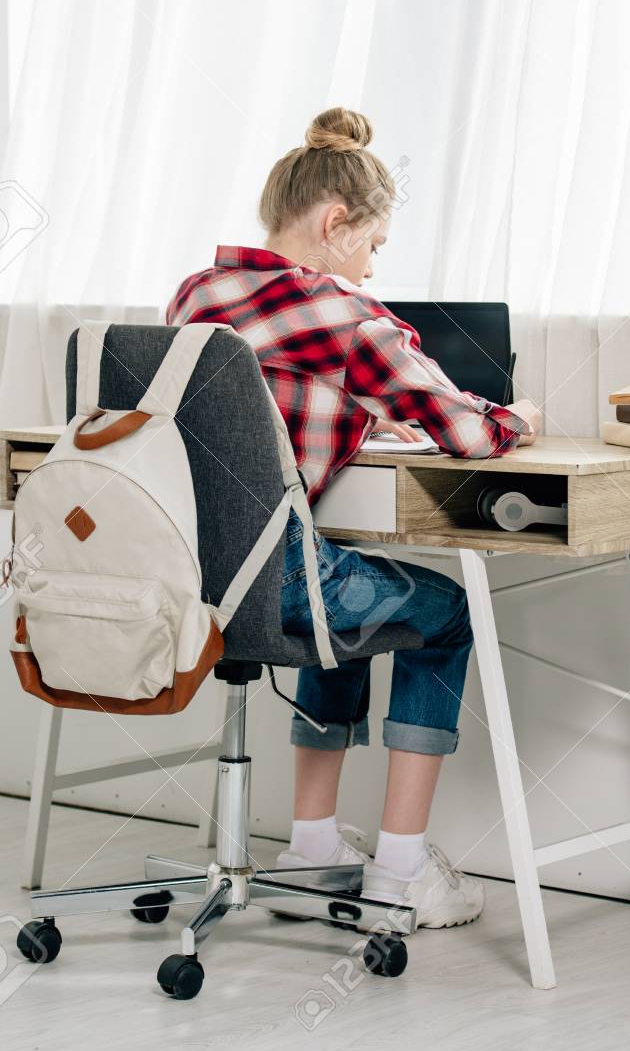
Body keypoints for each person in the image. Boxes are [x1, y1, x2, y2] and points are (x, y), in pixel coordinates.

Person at [167, 107, 541, 927]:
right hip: (275, 583)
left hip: (182, 576)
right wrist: (520, 418)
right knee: (443, 612)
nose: (372, 268)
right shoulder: (345, 314)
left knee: (338, 584)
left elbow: (250, 413)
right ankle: (401, 874)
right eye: (373, 246)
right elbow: (468, 433)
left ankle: (311, 851)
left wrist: (363, 413)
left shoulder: (197, 293)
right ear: (335, 223)